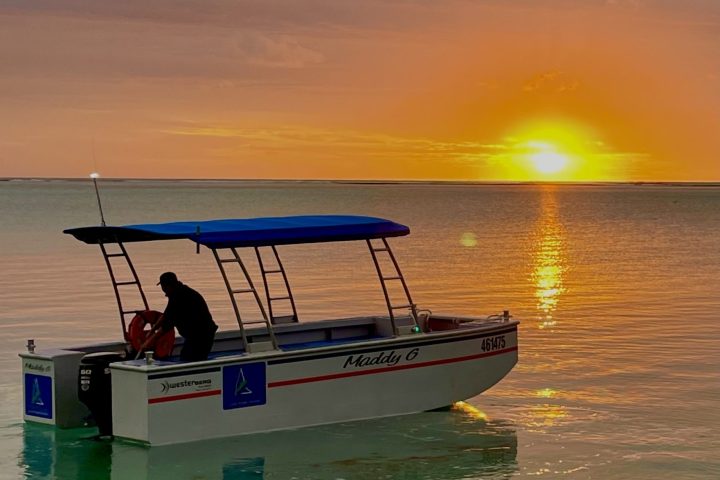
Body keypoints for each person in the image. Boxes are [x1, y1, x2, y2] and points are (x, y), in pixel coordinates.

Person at [154, 272, 218, 361]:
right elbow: (166, 314)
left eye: (163, 287)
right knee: (187, 355)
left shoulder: (179, 298)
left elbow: (166, 326)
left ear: (166, 286)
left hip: (201, 334)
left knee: (189, 358)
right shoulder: (178, 292)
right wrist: (154, 327)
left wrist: (147, 343)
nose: (163, 290)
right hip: (196, 334)